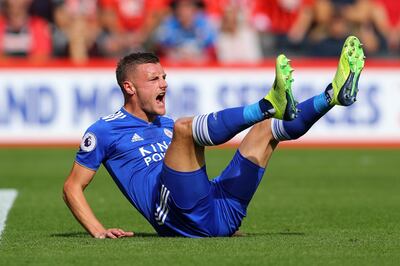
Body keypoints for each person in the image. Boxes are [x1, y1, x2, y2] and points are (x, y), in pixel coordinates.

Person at [63, 36, 365, 238]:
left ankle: (331, 96)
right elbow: (72, 187)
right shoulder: (104, 130)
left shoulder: (164, 124)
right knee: (185, 129)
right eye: (154, 79)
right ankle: (267, 104)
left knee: (266, 128)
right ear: (129, 88)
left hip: (221, 212)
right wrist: (98, 230)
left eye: (164, 77)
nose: (163, 84)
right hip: (179, 216)